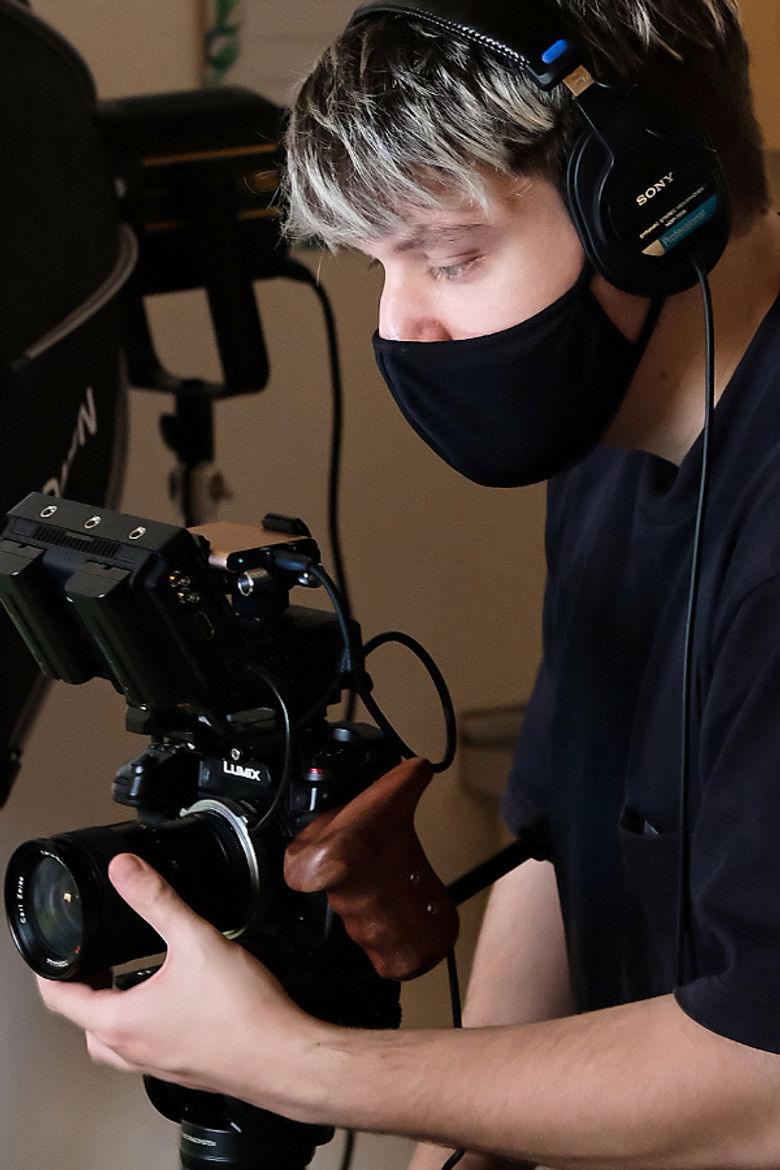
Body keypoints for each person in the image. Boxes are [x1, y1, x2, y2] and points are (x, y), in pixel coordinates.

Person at [36, 1, 780, 1166]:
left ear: (652, 208)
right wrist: (456, 1156)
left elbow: (762, 1085)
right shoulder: (610, 435)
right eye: (380, 267)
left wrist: (285, 1062)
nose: (403, 327)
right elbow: (555, 846)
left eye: (450, 258)